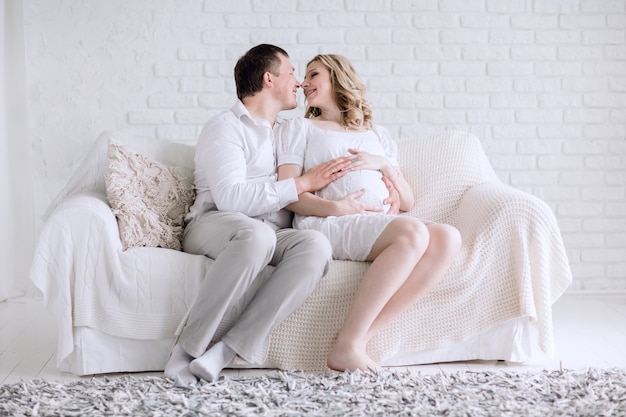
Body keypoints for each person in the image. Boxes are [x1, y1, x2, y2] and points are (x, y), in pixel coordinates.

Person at [164, 44, 356, 386]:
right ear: (269, 79)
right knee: (257, 236)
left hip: (269, 232)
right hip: (214, 224)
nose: (298, 83)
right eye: (292, 72)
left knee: (315, 246)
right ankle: (186, 348)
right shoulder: (225, 127)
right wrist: (301, 183)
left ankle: (225, 351)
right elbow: (231, 198)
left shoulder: (286, 132)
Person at [276, 54, 462, 372]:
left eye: (313, 74)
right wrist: (335, 207)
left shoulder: (376, 135)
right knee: (412, 232)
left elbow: (407, 201)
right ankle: (349, 343)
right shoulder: (300, 128)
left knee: (447, 237)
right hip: (327, 222)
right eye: (303, 76)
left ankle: (355, 342)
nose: (304, 83)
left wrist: (385, 165)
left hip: (375, 221)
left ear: (337, 77)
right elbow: (288, 194)